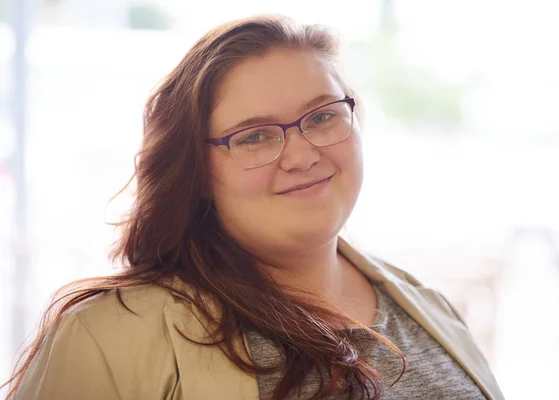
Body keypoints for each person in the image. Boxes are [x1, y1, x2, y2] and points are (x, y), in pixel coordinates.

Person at [2, 15, 504, 400]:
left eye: (323, 116)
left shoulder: (431, 308)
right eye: (256, 136)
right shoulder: (104, 335)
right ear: (197, 173)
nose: (304, 155)